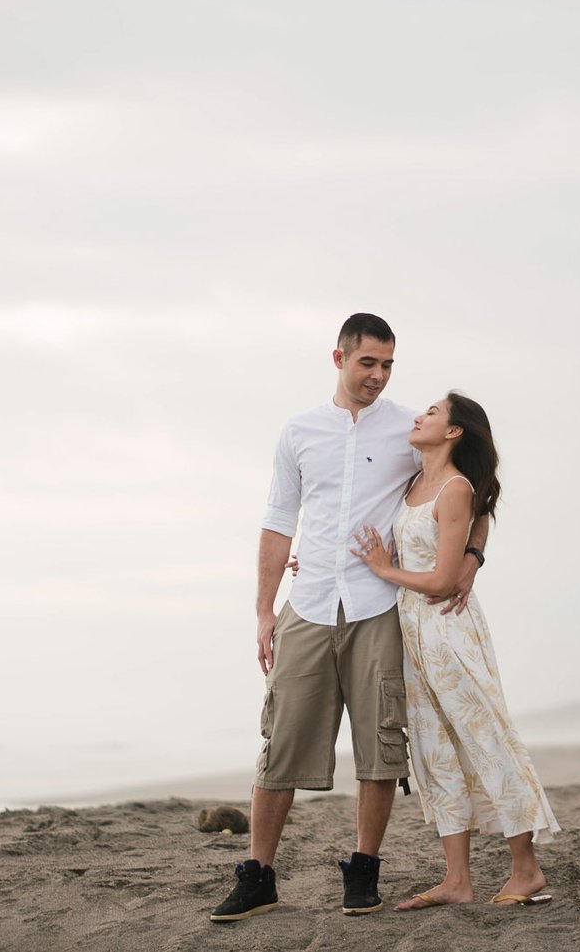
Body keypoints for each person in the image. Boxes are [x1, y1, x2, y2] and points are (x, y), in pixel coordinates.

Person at [210, 313, 487, 923]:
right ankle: (257, 876)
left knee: (380, 747)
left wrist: (471, 558)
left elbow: (477, 488)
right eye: (368, 363)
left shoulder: (410, 430)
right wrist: (263, 611)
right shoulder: (299, 430)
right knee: (279, 742)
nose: (378, 377)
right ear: (339, 358)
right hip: (307, 607)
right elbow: (279, 522)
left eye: (388, 365)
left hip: (378, 609)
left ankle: (363, 873)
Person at [351, 391, 558, 910]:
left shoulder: (454, 488)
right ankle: (457, 881)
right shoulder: (415, 482)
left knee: (485, 740)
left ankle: (526, 869)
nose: (419, 416)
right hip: (413, 637)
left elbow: (442, 582)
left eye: (433, 413)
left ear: (454, 432)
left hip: (448, 631)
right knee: (434, 752)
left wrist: (385, 570)